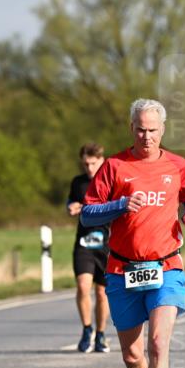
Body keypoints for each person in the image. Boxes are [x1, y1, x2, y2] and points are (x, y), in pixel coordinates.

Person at [80, 99, 185, 368]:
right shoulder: (114, 166)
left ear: (162, 129)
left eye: (152, 130)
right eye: (140, 129)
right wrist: (119, 205)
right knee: (133, 355)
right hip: (122, 270)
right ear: (131, 128)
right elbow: (87, 214)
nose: (146, 136)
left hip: (166, 266)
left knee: (158, 344)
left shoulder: (177, 164)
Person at [67, 143, 112, 353]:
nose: (90, 168)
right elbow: (71, 201)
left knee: (102, 292)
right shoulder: (78, 182)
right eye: (86, 164)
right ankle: (87, 330)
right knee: (83, 287)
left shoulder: (111, 180)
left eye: (93, 163)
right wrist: (71, 207)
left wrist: (87, 207)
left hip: (107, 244)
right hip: (84, 243)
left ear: (102, 160)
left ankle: (101, 334)